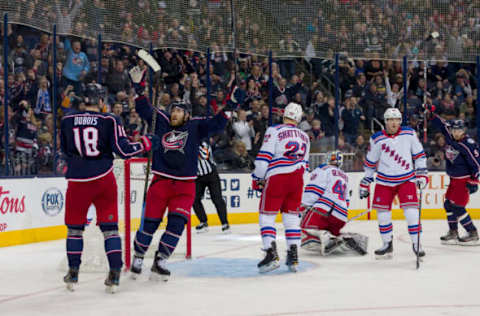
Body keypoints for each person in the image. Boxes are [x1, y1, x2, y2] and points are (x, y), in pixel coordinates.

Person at [129, 66, 231, 281]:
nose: (174, 113)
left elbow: (216, 124)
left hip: (185, 187)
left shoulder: (195, 126)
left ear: (186, 115)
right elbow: (144, 109)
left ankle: (161, 260)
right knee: (150, 223)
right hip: (161, 183)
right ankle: (138, 255)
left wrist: (230, 107)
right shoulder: (161, 122)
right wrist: (139, 89)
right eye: (172, 110)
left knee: (176, 224)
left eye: (178, 111)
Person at [60, 83, 159, 293]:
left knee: (75, 230)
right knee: (110, 229)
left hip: (77, 180)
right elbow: (123, 150)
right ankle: (114, 273)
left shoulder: (67, 120)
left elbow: (65, 149)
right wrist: (145, 143)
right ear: (102, 101)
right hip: (103, 179)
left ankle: (73, 273)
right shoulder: (110, 119)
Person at [359, 107, 428, 259]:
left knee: (412, 213)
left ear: (400, 121)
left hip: (406, 180)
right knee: (383, 214)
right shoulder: (376, 138)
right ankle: (387, 244)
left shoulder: (409, 134)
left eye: (396, 119)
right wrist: (365, 182)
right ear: (385, 122)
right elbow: (371, 162)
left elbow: (419, 155)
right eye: (390, 120)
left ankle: (417, 244)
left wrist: (422, 174)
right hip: (384, 181)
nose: (393, 123)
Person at [252, 102, 310, 273]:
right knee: (291, 217)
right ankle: (293, 255)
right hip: (297, 179)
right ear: (299, 118)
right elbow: (305, 165)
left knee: (267, 215)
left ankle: (270, 253)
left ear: (284, 115)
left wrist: (257, 177)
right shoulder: (305, 137)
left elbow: (264, 158)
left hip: (278, 177)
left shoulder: (274, 130)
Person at [426, 105, 479, 245]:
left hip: (464, 180)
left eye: (459, 130)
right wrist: (431, 114)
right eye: (454, 129)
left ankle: (473, 233)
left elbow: (477, 164)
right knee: (448, 204)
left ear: (464, 130)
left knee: (457, 207)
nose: (456, 132)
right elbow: (442, 124)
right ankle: (453, 232)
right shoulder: (450, 138)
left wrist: (474, 181)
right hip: (453, 180)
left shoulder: (468, 144)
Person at [300, 151, 368, 256]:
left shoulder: (323, 169)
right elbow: (347, 201)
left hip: (324, 211)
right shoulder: (345, 176)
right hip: (341, 217)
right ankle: (344, 238)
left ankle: (326, 237)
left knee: (303, 233)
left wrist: (303, 205)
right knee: (331, 233)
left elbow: (314, 190)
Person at [193, 139, 230, 233]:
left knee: (217, 199)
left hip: (211, 175)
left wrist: (192, 146)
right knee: (194, 199)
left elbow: (204, 155)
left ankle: (225, 223)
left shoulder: (203, 143)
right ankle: (203, 222)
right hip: (197, 177)